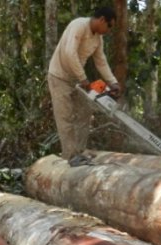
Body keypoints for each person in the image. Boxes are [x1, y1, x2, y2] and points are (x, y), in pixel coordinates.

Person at [47, 6, 121, 163]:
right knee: (65, 116)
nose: (109, 30)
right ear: (101, 20)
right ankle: (70, 155)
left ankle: (79, 151)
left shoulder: (97, 39)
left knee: (85, 112)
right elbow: (69, 52)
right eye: (109, 25)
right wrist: (84, 79)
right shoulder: (79, 25)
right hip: (59, 76)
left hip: (76, 80)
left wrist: (113, 82)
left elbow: (101, 61)